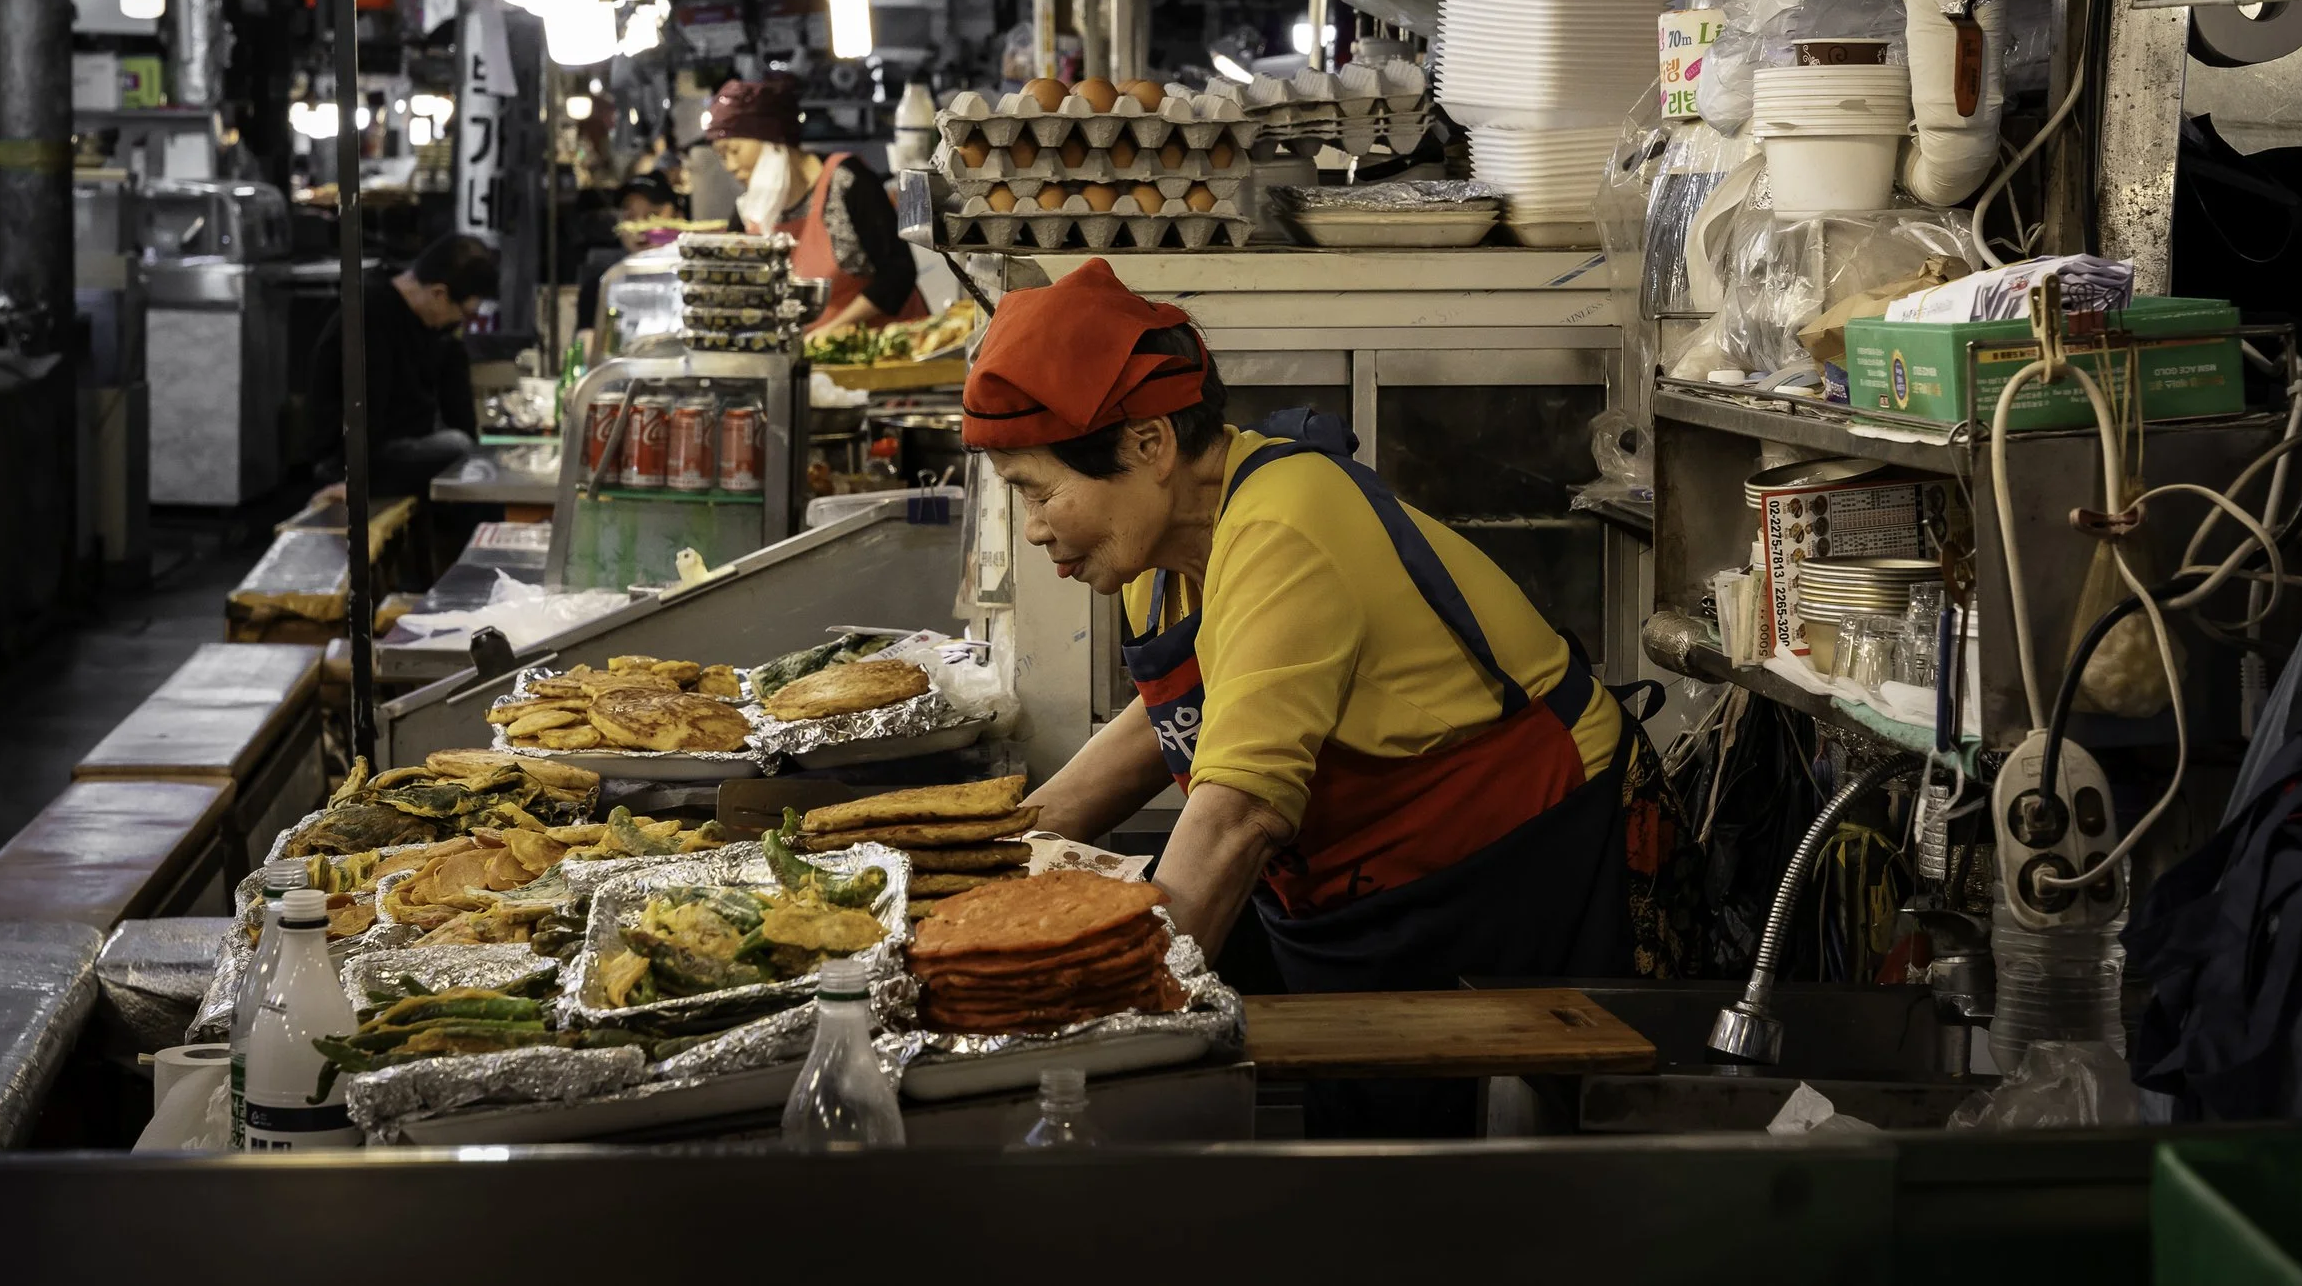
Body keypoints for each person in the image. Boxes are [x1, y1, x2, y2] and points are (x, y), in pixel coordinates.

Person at [962, 258, 1691, 1137]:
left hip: (1512, 881)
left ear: (1150, 444)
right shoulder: (1160, 559)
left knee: (1484, 1191)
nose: (1034, 526)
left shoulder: (1284, 523)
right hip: (1368, 908)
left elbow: (1232, 819)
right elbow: (1178, 721)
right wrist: (982, 864)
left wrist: (1109, 1027)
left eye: (1038, 492)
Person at [707, 75, 924, 334]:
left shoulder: (846, 181)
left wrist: (832, 331)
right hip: (805, 357)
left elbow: (898, 273)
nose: (730, 166)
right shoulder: (748, 210)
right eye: (721, 156)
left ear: (772, 138)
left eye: (734, 150)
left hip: (884, 349)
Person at [309, 232, 499, 499]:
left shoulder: (436, 326)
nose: (462, 323)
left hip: (401, 447)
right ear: (439, 294)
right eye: (464, 313)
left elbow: (457, 403)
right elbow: (363, 413)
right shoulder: (370, 314)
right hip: (352, 458)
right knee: (457, 448)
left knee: (474, 460)